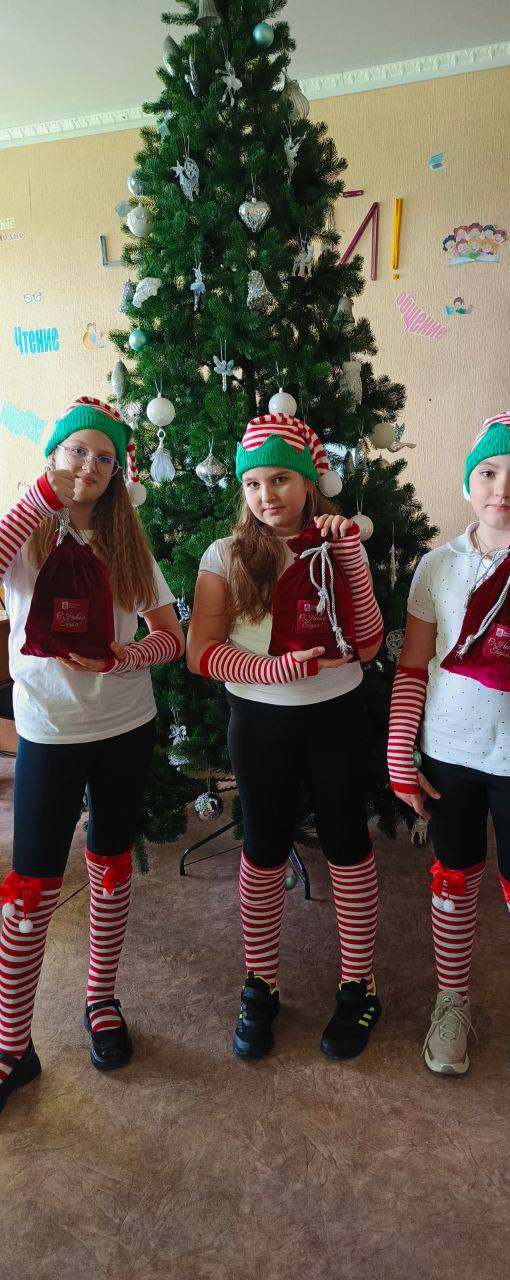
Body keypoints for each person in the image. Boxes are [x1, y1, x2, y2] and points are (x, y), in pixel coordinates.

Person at [0, 395, 184, 1112]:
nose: (89, 465)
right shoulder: (25, 532)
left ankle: (101, 999)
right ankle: (11, 1044)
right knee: (31, 886)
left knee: (109, 865)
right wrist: (41, 499)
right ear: (53, 454)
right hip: (49, 729)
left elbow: (171, 638)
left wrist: (123, 656)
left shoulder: (126, 544)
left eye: (105, 457)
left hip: (125, 724)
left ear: (117, 473)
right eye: (77, 449)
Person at [387, 409, 510, 1103]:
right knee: (453, 880)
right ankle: (452, 1002)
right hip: (450, 754)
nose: (504, 488)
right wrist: (399, 754)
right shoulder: (439, 565)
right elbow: (413, 665)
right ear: (469, 484)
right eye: (489, 473)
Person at [187, 409, 384, 1062]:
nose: (266, 495)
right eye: (252, 484)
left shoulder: (337, 543)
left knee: (347, 844)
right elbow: (201, 652)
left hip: (336, 715)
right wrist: (270, 669)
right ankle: (261, 983)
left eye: (280, 479)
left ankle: (359, 985)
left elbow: (369, 644)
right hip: (260, 721)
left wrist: (350, 557)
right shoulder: (226, 555)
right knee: (264, 847)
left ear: (307, 482)